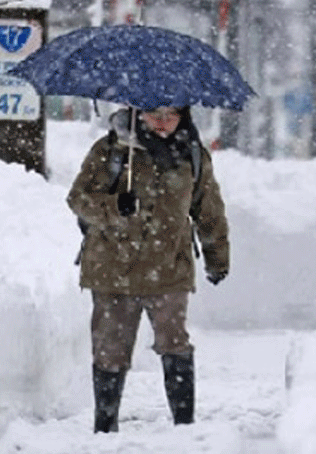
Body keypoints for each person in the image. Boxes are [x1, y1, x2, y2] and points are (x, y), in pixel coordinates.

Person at [67, 105, 230, 433]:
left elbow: (208, 210)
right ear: (139, 114)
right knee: (110, 349)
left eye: (172, 116)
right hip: (113, 269)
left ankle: (184, 424)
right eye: (156, 115)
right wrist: (115, 207)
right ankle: (105, 425)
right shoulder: (111, 150)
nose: (164, 124)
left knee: (175, 343)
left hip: (169, 268)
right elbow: (78, 198)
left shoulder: (193, 156)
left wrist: (218, 258)